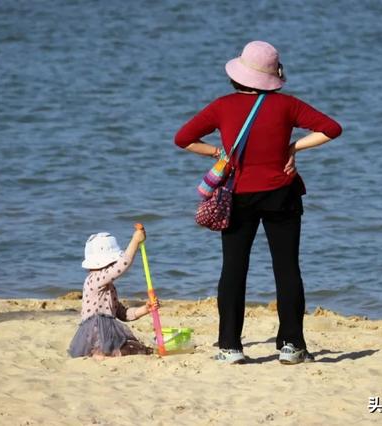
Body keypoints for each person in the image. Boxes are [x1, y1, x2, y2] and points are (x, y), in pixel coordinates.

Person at [174, 40, 342, 364]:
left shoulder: (221, 106)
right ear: (274, 75)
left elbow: (182, 139)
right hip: (282, 194)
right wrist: (295, 148)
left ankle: (230, 347)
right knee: (287, 269)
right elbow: (332, 128)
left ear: (238, 74)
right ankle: (292, 346)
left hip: (238, 196)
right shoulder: (288, 106)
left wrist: (216, 152)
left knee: (234, 270)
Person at [68, 228, 159, 359]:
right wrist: (135, 241)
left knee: (135, 346)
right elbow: (122, 266)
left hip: (107, 333)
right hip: (96, 332)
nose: (114, 266)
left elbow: (123, 314)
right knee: (132, 349)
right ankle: (101, 352)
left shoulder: (106, 287)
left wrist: (145, 309)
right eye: (113, 263)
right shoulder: (94, 279)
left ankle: (102, 352)